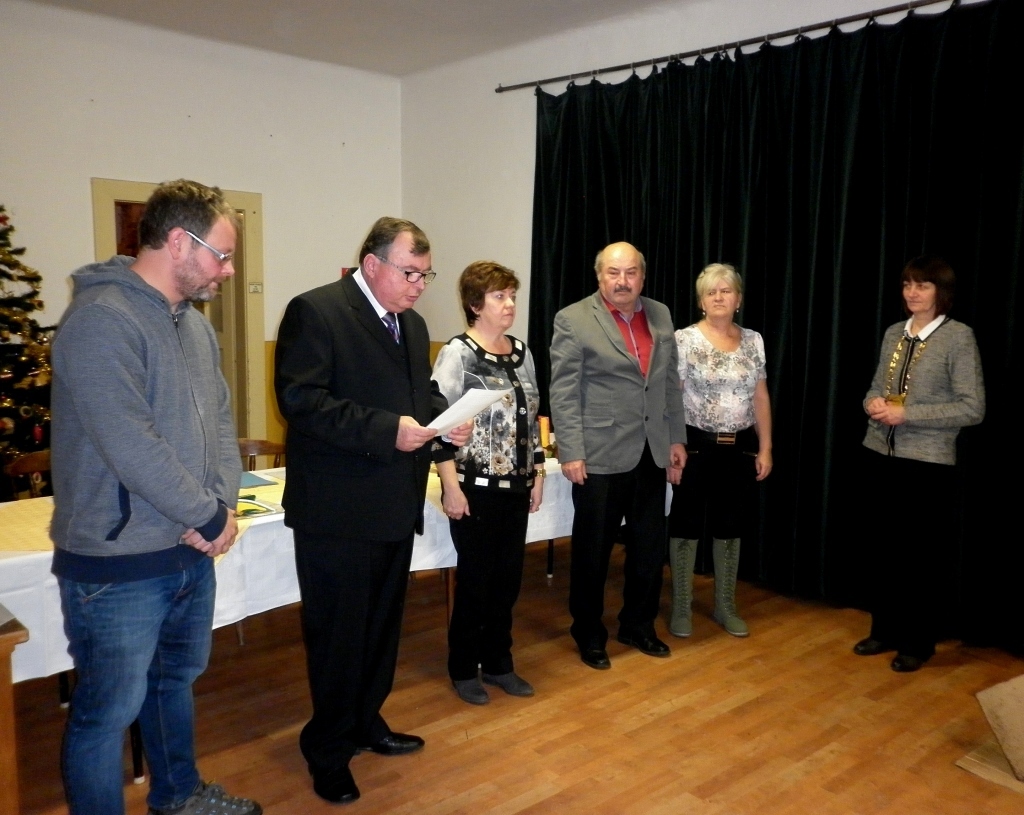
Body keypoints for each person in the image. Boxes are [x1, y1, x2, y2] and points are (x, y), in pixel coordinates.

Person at [49, 180, 261, 815]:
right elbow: (129, 442)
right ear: (178, 242)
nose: (228, 270)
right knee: (106, 714)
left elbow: (220, 422)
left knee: (173, 684)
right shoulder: (99, 321)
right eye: (222, 255)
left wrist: (221, 505)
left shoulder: (194, 326)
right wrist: (206, 513)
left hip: (188, 551)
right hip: (118, 563)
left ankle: (178, 797)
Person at [275, 217, 470, 804]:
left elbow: (419, 395)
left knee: (381, 630)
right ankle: (327, 748)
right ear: (372, 264)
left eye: (425, 275)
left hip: (393, 503)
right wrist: (390, 430)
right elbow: (301, 402)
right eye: (410, 273)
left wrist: (444, 424)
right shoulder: (316, 311)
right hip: (336, 510)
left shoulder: (412, 325)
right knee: (338, 636)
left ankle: (365, 721)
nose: (419, 287)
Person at [549, 241, 687, 670]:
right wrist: (571, 450)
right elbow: (564, 391)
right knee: (593, 551)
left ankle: (638, 625)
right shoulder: (573, 319)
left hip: (651, 451)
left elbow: (668, 383)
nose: (622, 281)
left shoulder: (660, 314)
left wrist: (676, 439)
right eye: (613, 272)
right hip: (598, 454)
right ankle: (588, 632)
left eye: (630, 272)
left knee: (648, 548)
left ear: (642, 276)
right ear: (599, 276)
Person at [853, 256, 984, 672]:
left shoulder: (958, 337)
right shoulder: (895, 332)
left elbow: (972, 407)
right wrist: (872, 404)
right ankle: (884, 630)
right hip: (880, 454)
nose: (912, 292)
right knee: (883, 550)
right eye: (908, 284)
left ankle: (917, 642)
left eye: (922, 285)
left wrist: (908, 415)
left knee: (920, 558)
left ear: (940, 292)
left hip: (927, 464)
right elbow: (874, 387)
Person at [431, 261, 545, 705]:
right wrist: (450, 486)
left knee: (507, 582)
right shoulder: (458, 353)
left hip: (516, 487)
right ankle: (463, 668)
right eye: (500, 296)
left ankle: (499, 663)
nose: (510, 303)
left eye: (512, 295)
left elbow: (531, 419)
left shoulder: (522, 353)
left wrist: (536, 472)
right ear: (475, 304)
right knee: (476, 583)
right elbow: (439, 425)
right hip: (474, 487)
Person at [666, 263, 772, 640]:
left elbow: (760, 397)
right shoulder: (684, 339)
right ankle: (682, 605)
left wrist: (766, 447)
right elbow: (672, 397)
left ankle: (725, 604)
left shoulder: (754, 340)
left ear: (738, 298)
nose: (719, 297)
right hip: (695, 446)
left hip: (738, 449)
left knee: (730, 526)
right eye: (711, 292)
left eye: (726, 290)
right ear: (701, 301)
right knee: (686, 524)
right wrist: (673, 444)